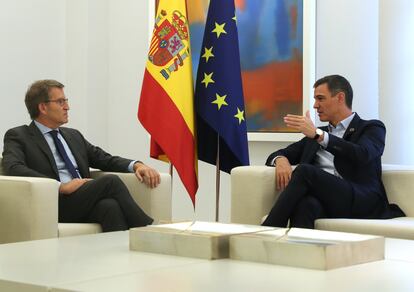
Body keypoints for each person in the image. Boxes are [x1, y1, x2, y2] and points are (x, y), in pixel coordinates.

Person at [2, 79, 160, 232]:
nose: (67, 107)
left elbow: (103, 158)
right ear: (43, 107)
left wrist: (137, 165)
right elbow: (13, 167)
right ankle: (149, 229)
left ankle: (121, 257)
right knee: (110, 181)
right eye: (60, 102)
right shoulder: (18, 135)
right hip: (54, 202)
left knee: (109, 206)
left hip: (82, 199)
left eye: (66, 101)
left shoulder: (73, 135)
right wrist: (60, 186)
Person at [262, 74, 404, 228]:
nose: (315, 105)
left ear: (340, 98)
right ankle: (297, 251)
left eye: (320, 98)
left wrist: (320, 136)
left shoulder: (371, 128)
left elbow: (362, 154)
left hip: (361, 200)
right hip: (330, 200)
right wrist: (281, 160)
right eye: (315, 99)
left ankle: (269, 229)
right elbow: (278, 153)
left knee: (304, 171)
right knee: (306, 205)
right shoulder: (314, 135)